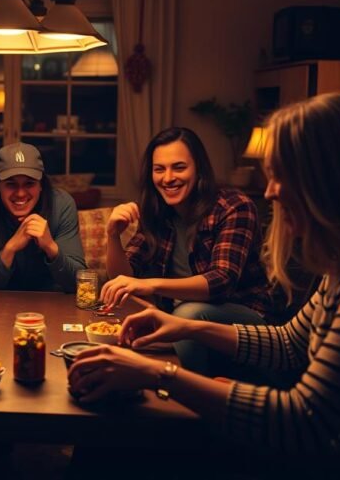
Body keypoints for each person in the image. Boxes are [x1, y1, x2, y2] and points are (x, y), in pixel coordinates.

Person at [68, 95, 340, 476]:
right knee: (116, 428)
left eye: (282, 175)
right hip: (324, 447)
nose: (270, 190)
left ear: (328, 179)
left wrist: (159, 373)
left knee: (121, 440)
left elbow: (305, 421)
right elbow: (288, 344)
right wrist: (186, 328)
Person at [99, 127, 273, 376]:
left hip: (245, 314)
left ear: (199, 169)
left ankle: (186, 406)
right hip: (181, 313)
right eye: (159, 169)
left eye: (179, 167)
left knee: (188, 312)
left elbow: (221, 281)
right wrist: (112, 235)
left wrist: (151, 285)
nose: (168, 178)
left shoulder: (234, 206)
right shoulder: (157, 211)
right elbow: (123, 277)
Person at [0, 142, 86, 292]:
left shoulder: (61, 205)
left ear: (41, 185)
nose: (21, 193)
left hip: (52, 302)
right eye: (11, 184)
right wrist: (10, 249)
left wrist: (50, 247)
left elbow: (81, 283)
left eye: (29, 184)